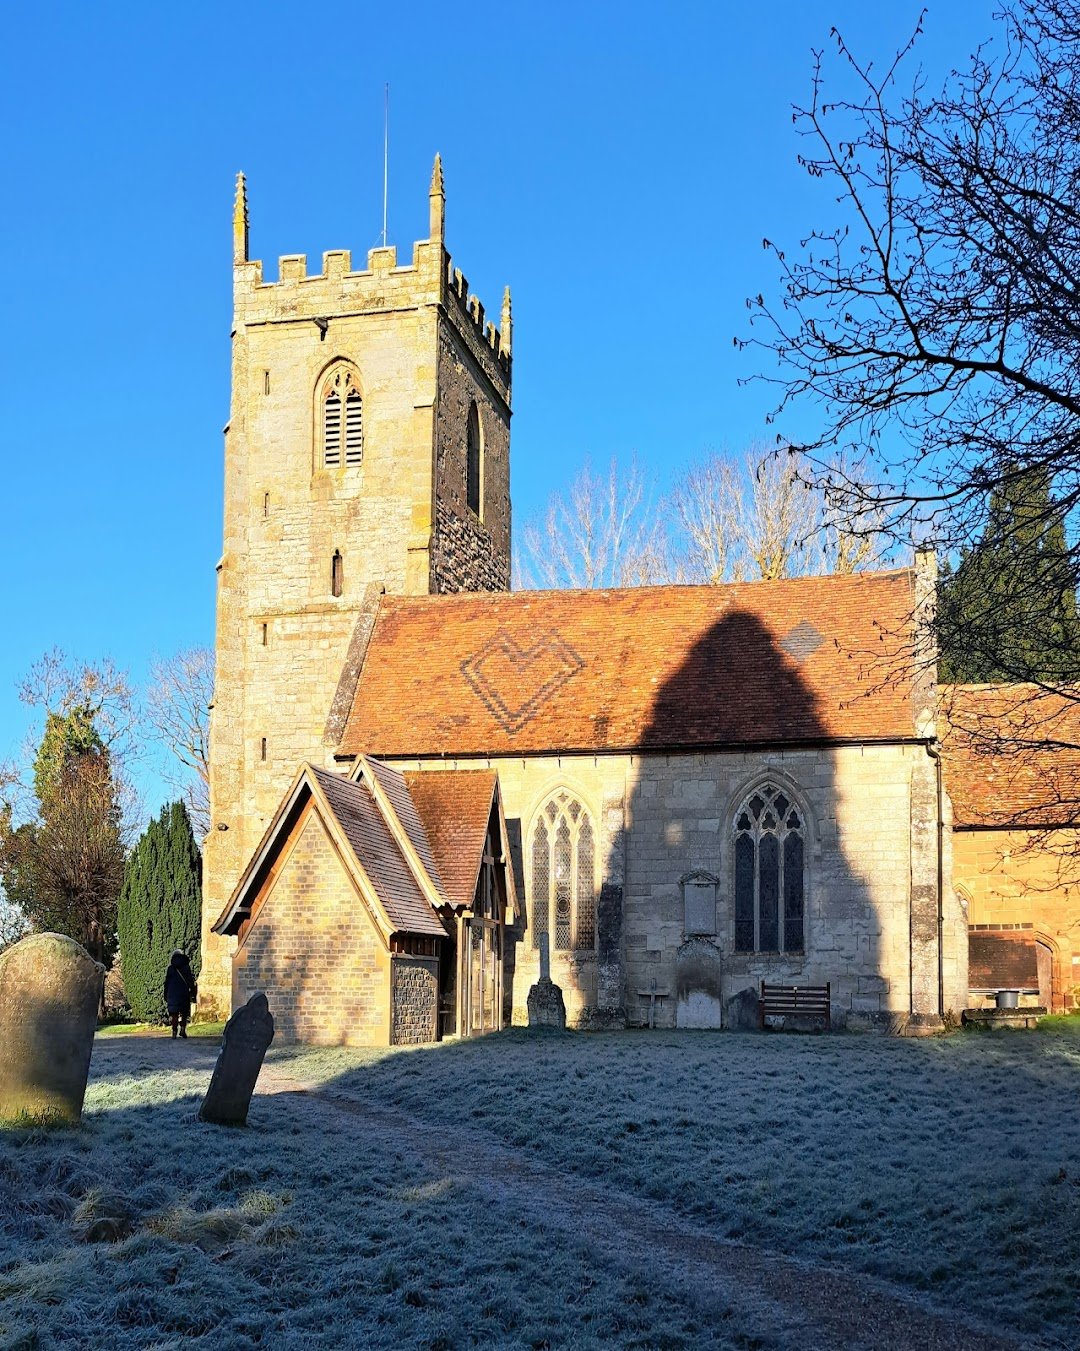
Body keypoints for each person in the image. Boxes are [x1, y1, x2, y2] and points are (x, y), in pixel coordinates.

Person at [164, 950, 197, 1039]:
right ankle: (182, 1029)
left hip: (172, 993)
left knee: (174, 1014)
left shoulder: (170, 968)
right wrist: (193, 992)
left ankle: (174, 1032)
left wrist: (165, 994)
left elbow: (166, 983)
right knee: (184, 1013)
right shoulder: (186, 967)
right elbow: (190, 980)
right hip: (183, 993)